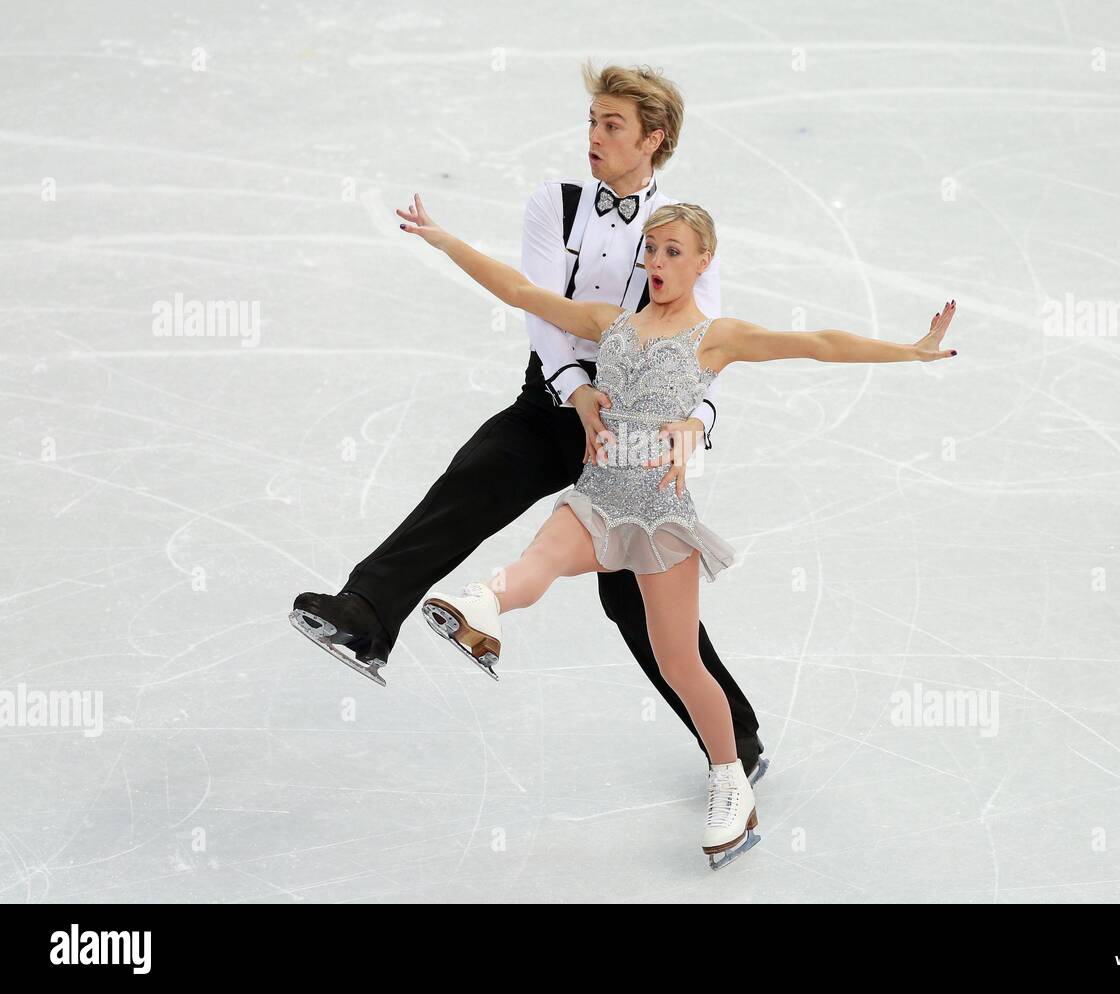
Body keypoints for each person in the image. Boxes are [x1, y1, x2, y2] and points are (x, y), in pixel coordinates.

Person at [399, 194, 960, 869]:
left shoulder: (716, 336)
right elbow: (519, 289)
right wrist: (443, 240)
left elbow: (817, 345)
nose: (656, 262)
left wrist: (910, 349)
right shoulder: (610, 323)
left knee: (680, 663)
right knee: (540, 559)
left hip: (662, 517)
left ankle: (730, 780)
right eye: (652, 250)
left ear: (702, 263)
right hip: (599, 497)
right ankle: (479, 608)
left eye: (671, 252)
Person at [288, 62, 769, 785]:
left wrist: (694, 421)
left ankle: (738, 742)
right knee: (473, 480)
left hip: (634, 430)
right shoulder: (558, 203)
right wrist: (574, 390)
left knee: (636, 601)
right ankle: (365, 617)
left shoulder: (681, 234)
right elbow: (539, 305)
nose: (594, 136)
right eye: (592, 121)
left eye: (612, 125)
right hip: (553, 402)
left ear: (653, 138)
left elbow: (708, 346)